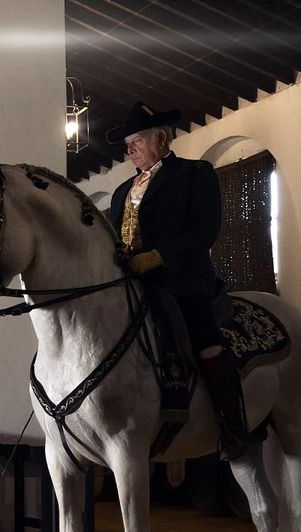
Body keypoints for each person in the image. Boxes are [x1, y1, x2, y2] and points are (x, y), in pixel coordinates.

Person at [106, 101, 260, 461]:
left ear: (161, 139)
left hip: (181, 281)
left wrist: (157, 256)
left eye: (136, 141)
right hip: (131, 284)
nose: (129, 151)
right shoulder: (121, 191)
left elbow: (205, 230)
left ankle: (232, 426)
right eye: (127, 144)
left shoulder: (194, 174)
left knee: (205, 343)